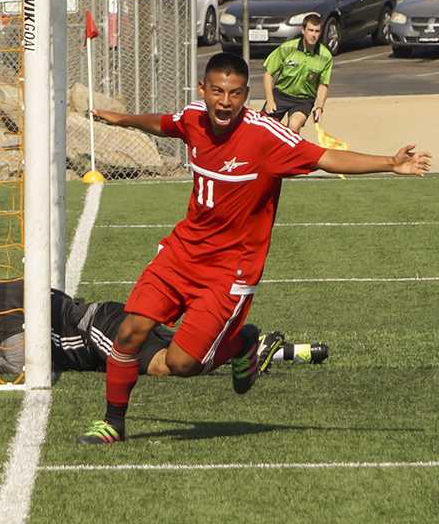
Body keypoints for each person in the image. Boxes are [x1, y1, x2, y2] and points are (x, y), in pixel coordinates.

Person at [80, 51, 431, 444]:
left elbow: (325, 157)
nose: (224, 102)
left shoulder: (265, 136)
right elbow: (166, 124)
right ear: (203, 90)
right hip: (181, 254)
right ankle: (113, 422)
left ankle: (243, 343)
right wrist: (123, 119)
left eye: (234, 94)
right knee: (129, 332)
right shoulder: (195, 117)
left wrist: (390, 162)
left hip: (231, 270)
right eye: (216, 91)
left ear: (245, 94)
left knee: (180, 364)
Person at [0, 249, 326, 377]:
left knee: (167, 366)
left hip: (96, 332)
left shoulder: (4, 306)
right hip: (102, 319)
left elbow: (20, 362)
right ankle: (286, 350)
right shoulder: (8, 290)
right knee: (185, 346)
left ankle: (246, 344)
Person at [262, 13, 333, 133]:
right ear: (303, 30)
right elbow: (268, 74)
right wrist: (270, 100)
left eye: (317, 31)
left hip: (303, 100)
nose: (313, 35)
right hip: (280, 95)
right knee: (263, 129)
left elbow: (323, 84)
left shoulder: (325, 56)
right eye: (310, 30)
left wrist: (319, 107)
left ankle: (288, 151)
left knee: (294, 127)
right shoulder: (287, 48)